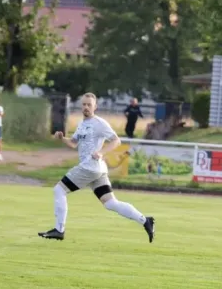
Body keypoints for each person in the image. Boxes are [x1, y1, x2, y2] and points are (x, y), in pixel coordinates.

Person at [38, 93, 155, 242]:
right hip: (97, 170)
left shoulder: (99, 123)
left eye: (89, 105)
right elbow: (74, 143)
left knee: (59, 190)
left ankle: (59, 230)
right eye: (84, 104)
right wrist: (62, 138)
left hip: (89, 167)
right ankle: (145, 220)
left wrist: (101, 152)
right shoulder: (82, 124)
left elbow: (116, 141)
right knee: (111, 203)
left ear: (95, 107)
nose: (86, 107)